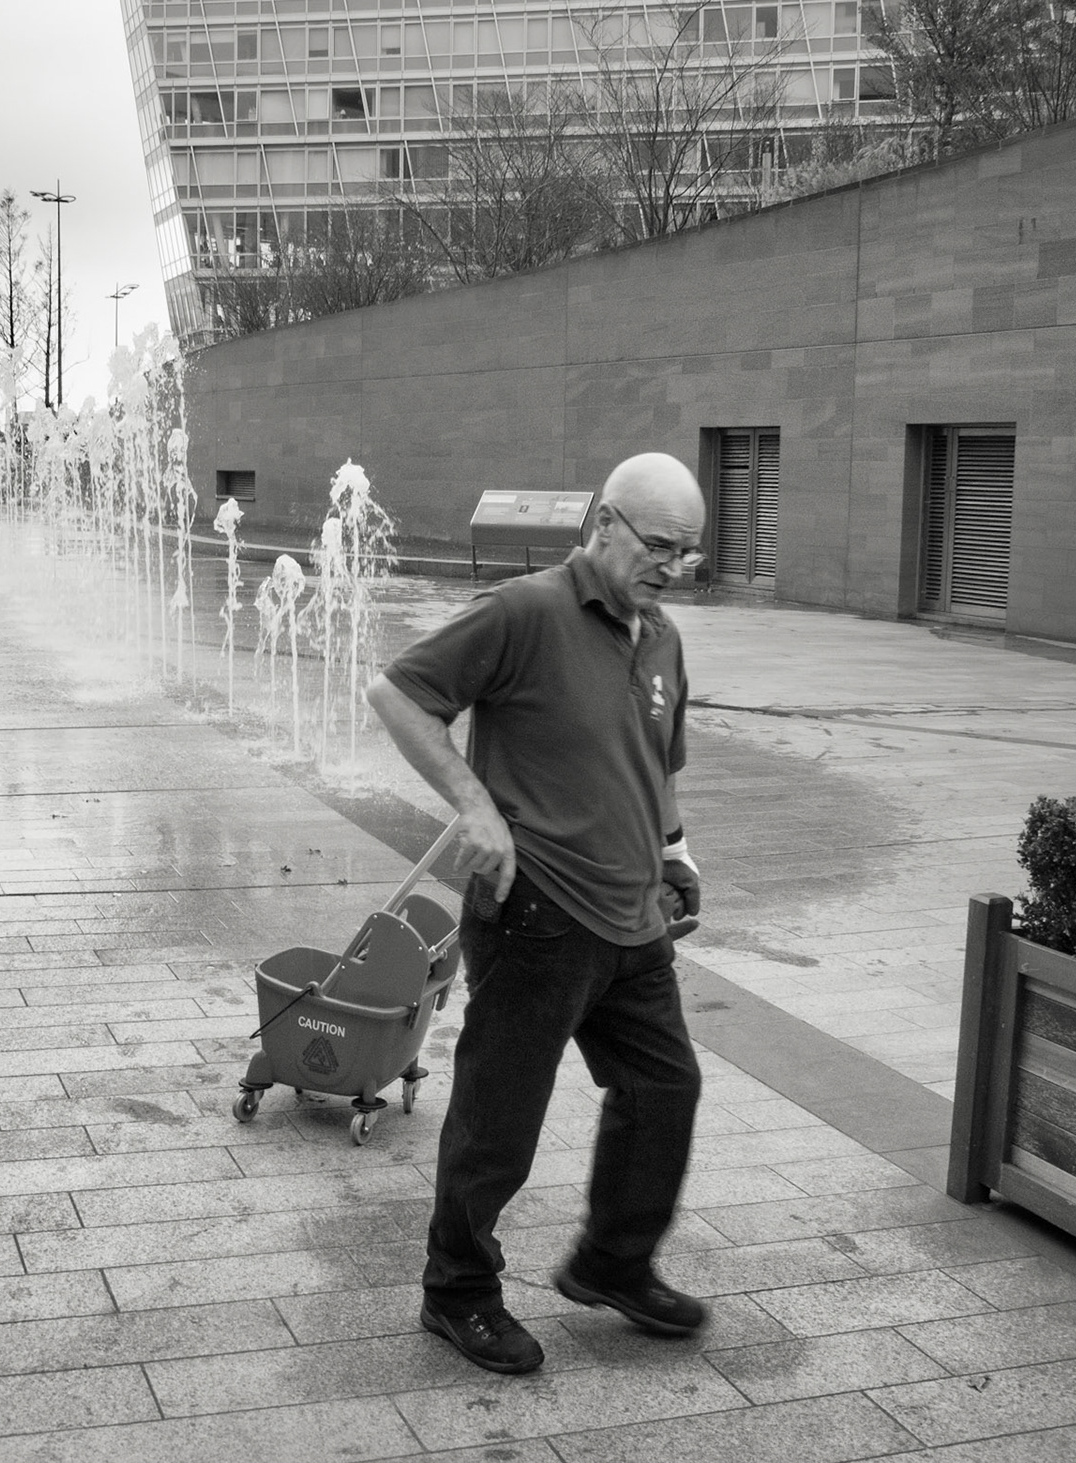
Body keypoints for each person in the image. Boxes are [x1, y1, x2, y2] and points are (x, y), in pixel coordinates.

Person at [365, 452, 709, 1375]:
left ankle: (612, 1262)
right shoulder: (525, 611)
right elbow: (398, 694)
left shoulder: (662, 637)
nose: (674, 566)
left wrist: (675, 851)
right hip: (537, 913)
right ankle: (457, 1290)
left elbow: (655, 764)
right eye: (660, 544)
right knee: (501, 1116)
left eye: (689, 552)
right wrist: (475, 808)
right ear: (604, 523)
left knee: (664, 1089)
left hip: (633, 918)